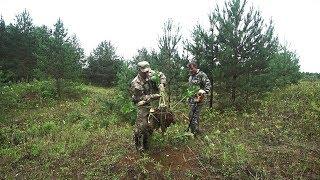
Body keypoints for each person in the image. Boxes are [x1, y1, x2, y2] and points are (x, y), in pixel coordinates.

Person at [130, 61, 166, 152]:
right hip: (143, 103)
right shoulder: (136, 83)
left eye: (147, 71)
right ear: (139, 70)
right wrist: (154, 96)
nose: (147, 73)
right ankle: (138, 144)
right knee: (142, 126)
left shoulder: (151, 73)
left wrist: (162, 84)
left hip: (153, 102)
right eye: (144, 72)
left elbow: (162, 76)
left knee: (152, 124)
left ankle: (147, 143)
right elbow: (141, 97)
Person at [187, 61, 211, 136]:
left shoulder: (201, 75)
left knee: (194, 116)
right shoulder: (191, 76)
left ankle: (195, 133)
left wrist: (203, 92)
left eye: (191, 68)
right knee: (191, 115)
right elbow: (190, 88)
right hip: (192, 99)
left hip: (199, 99)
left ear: (195, 67)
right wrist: (188, 96)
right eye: (189, 69)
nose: (190, 70)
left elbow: (208, 85)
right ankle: (195, 130)